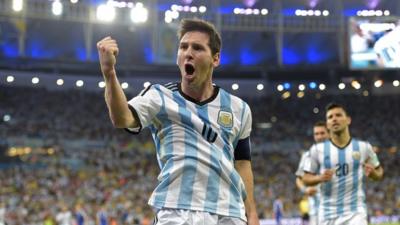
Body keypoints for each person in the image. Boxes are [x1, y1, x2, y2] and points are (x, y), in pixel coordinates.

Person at [97, 18, 259, 225]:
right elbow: (122, 118)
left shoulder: (239, 108)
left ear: (215, 59)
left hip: (228, 213)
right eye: (183, 47)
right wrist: (109, 74)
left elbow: (243, 163)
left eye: (198, 48)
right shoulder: (159, 97)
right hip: (176, 211)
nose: (188, 53)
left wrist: (251, 213)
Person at [302, 103, 384, 225]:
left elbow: (379, 172)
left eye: (338, 115)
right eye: (330, 117)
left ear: (348, 120)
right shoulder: (316, 150)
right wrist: (319, 178)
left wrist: (373, 174)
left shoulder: (364, 147)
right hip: (327, 214)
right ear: (328, 125)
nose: (334, 119)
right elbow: (305, 178)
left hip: (355, 212)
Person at [295, 121, 329, 225]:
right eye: (316, 134)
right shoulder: (307, 155)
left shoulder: (340, 153)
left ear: (329, 133)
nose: (319, 137)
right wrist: (305, 189)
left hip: (337, 208)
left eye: (322, 133)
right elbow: (298, 179)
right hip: (316, 210)